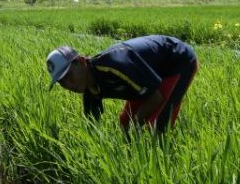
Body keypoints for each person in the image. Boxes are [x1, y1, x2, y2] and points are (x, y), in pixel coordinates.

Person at [46, 35, 198, 132]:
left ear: (80, 61)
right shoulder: (90, 90)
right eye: (62, 82)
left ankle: (161, 166)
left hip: (176, 61)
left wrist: (137, 125)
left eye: (69, 75)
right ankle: (132, 159)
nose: (68, 84)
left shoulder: (114, 65)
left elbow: (156, 96)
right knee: (125, 121)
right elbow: (92, 127)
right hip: (147, 75)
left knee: (156, 126)